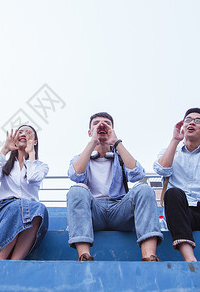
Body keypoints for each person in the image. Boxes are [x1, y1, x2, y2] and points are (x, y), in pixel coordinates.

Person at [67, 112, 163, 261]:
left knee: (143, 188)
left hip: (120, 210)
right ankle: (84, 256)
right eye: (96, 123)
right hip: (94, 212)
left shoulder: (120, 157)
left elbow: (137, 174)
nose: (101, 125)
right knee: (76, 190)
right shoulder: (81, 158)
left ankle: (149, 256)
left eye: (106, 123)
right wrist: (93, 142)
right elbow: (75, 175)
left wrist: (116, 142)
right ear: (89, 131)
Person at [154, 108, 200, 262]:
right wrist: (175, 140)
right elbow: (162, 169)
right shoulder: (170, 152)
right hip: (182, 214)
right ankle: (190, 259)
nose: (192, 123)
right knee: (173, 193)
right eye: (188, 120)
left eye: (198, 121)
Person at [0, 125, 49, 260]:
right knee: (18, 205)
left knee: (39, 209)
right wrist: (4, 149)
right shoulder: (5, 165)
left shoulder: (41, 166)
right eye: (20, 132)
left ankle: (15, 261)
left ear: (35, 141)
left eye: (28, 133)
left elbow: (32, 178)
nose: (23, 134)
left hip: (31, 211)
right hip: (5, 210)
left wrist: (31, 153)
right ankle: (0, 259)